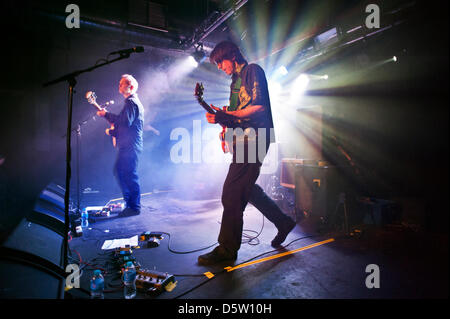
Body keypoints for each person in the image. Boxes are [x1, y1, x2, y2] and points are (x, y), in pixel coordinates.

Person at [198, 41, 296, 265]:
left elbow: (259, 107)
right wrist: (224, 128)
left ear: (231, 56)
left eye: (220, 62)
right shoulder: (235, 82)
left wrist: (227, 118)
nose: (220, 68)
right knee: (248, 190)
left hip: (256, 139)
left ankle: (227, 249)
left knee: (231, 192)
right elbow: (235, 114)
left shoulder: (252, 70)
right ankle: (283, 222)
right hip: (244, 140)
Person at [97, 74, 144, 217]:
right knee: (122, 172)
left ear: (130, 87)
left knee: (128, 174)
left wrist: (107, 116)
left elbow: (124, 123)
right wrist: (112, 129)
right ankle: (131, 204)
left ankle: (134, 207)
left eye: (122, 83)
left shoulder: (131, 102)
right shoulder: (131, 102)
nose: (119, 85)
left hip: (130, 145)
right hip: (129, 144)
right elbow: (125, 124)